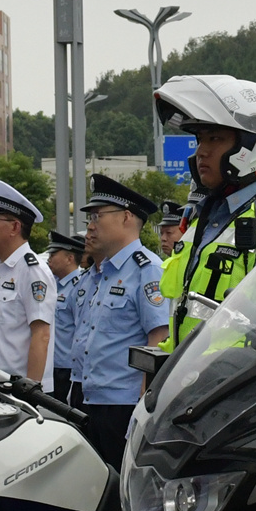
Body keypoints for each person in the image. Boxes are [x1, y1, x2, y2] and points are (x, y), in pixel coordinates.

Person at [156, 75, 256, 348]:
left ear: (253, 144)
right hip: (185, 382)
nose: (201, 152)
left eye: (214, 139)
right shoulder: (202, 217)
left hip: (243, 385)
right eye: (200, 140)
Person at [69, 174, 170, 464]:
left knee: (120, 489)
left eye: (98, 215)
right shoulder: (94, 275)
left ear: (126, 217)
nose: (90, 224)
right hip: (85, 398)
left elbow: (158, 339)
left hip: (122, 405)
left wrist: (144, 408)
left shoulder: (147, 270)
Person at [0, 180, 55, 385]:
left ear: (14, 226)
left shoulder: (33, 271)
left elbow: (41, 335)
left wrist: (30, 392)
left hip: (18, 390)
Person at [47, 230, 86, 400]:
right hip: (50, 365)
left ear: (70, 258)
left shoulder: (80, 287)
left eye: (54, 254)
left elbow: (82, 329)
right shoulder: (51, 284)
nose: (49, 258)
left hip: (67, 368)